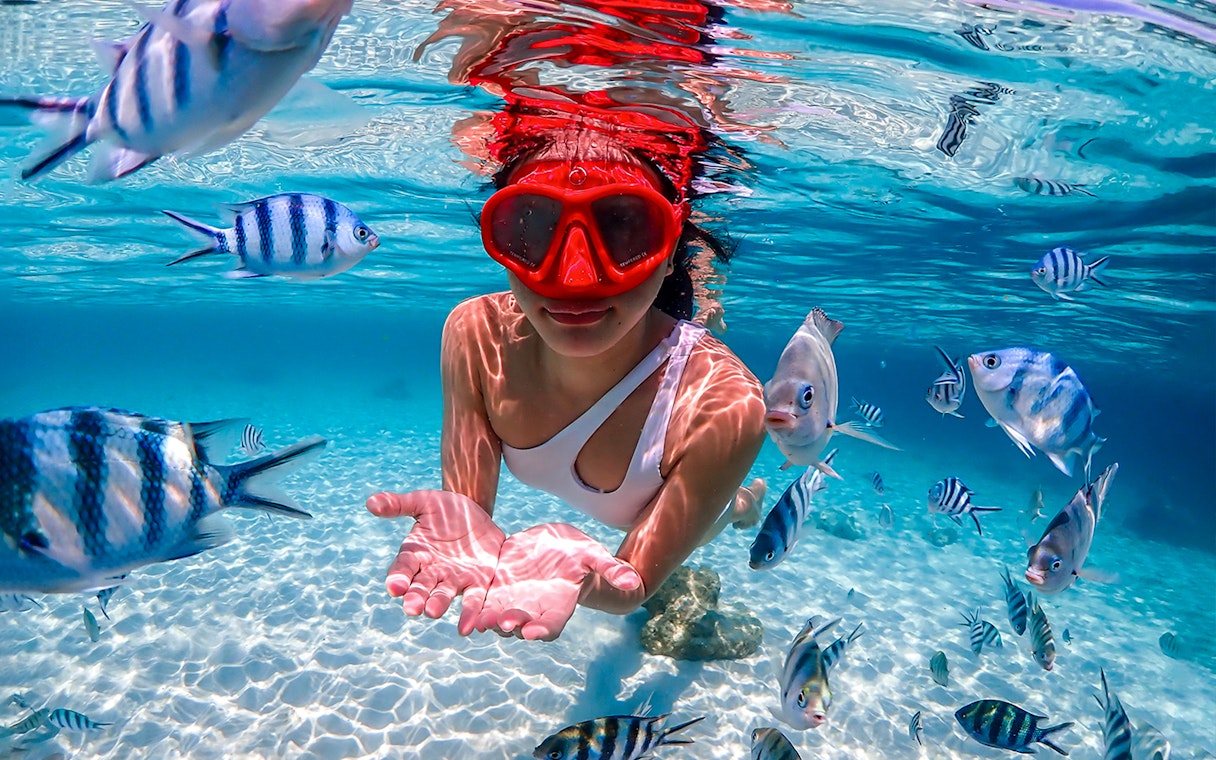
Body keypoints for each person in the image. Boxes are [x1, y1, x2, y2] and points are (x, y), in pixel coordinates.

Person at [366, 0, 775, 643]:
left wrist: (592, 582)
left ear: (671, 245)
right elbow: (469, 515)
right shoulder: (474, 336)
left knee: (735, 507)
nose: (573, 279)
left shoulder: (726, 408)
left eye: (623, 228)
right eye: (531, 228)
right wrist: (470, 540)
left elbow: (630, 587)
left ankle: (741, 499)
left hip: (697, 448)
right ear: (495, 234)